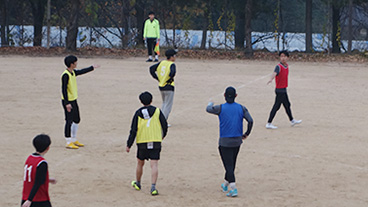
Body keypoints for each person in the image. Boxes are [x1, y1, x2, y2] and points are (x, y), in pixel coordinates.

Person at [206, 87, 253, 197]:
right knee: (231, 163)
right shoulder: (241, 108)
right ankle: (225, 183)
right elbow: (250, 121)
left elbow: (208, 109)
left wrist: (210, 103)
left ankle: (233, 188)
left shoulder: (220, 108)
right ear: (236, 96)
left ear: (224, 96)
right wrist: (246, 133)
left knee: (228, 165)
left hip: (224, 142)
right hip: (237, 141)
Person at [126, 91, 168, 196]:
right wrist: (163, 135)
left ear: (141, 101)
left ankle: (138, 183)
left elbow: (133, 130)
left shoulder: (138, 113)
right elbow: (164, 125)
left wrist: (129, 144)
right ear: (151, 100)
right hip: (155, 140)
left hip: (142, 142)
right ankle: (153, 187)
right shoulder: (157, 111)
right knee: (154, 164)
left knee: (140, 163)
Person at [61, 55, 100, 149]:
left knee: (77, 119)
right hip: (68, 101)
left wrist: (92, 68)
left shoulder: (73, 72)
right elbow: (64, 90)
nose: (76, 64)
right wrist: (67, 103)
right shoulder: (65, 75)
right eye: (75, 62)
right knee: (69, 121)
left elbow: (81, 71)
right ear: (71, 64)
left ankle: (74, 139)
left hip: (74, 100)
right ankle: (68, 141)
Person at [266, 50, 302, 129]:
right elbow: (274, 73)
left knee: (287, 105)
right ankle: (269, 123)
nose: (283, 58)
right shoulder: (278, 66)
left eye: (284, 56)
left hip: (284, 89)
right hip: (279, 90)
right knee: (276, 106)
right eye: (281, 56)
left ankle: (292, 120)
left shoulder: (287, 66)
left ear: (287, 57)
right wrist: (271, 79)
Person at [22, 134, 57, 207]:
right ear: (48, 148)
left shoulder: (29, 158)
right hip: (38, 199)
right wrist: (29, 200)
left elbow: (33, 176)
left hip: (25, 197)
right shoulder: (42, 163)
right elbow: (37, 183)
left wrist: (48, 179)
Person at [149, 49, 177, 125]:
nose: (175, 57)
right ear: (171, 57)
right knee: (168, 105)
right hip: (169, 86)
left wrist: (157, 78)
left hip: (161, 86)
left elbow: (151, 69)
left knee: (164, 103)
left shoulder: (162, 63)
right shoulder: (171, 64)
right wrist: (169, 78)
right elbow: (172, 72)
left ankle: (160, 119)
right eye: (174, 56)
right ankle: (163, 122)